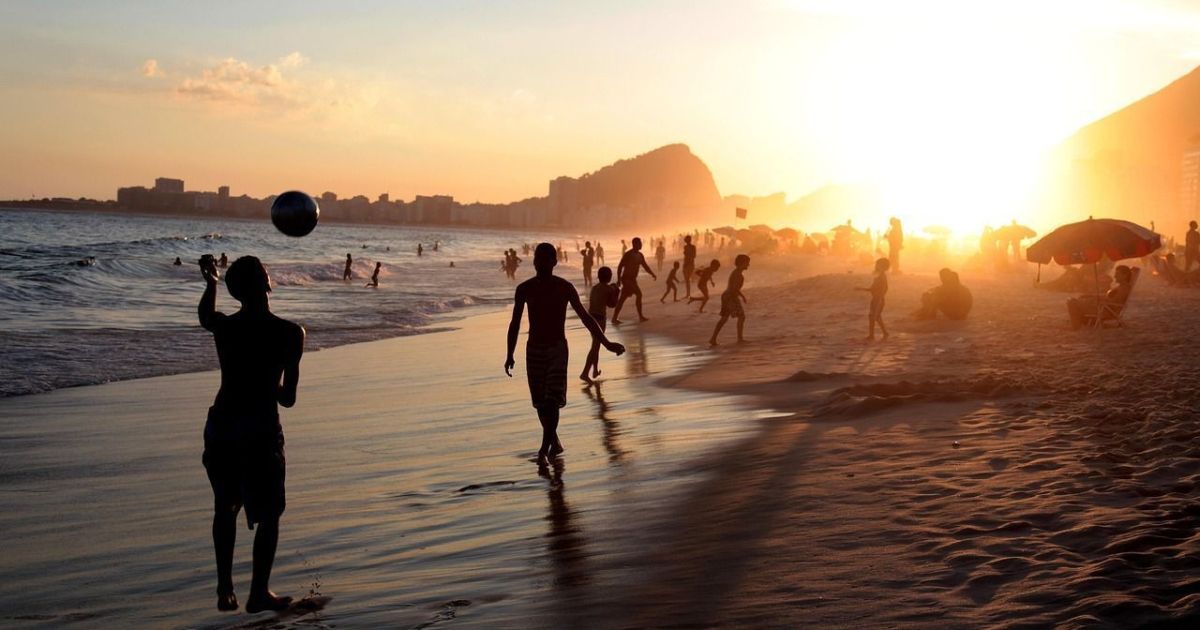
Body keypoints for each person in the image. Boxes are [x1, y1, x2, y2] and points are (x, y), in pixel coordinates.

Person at [197, 255, 305, 613]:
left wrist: (211, 282)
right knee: (270, 514)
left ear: (236, 292)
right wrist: (266, 379)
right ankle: (259, 591)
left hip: (223, 424)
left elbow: (205, 318)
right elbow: (287, 399)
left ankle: (225, 587)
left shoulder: (226, 329)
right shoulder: (291, 333)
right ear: (268, 283)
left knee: (225, 506)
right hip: (259, 429)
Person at [505, 244, 625, 464]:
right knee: (540, 403)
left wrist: (606, 343)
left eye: (545, 258)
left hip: (557, 349)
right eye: (538, 258)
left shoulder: (564, 287)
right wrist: (509, 354)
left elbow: (586, 318)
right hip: (533, 350)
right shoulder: (525, 289)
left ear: (554, 262)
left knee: (552, 400)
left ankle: (543, 448)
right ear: (534, 262)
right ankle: (554, 441)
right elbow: (514, 323)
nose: (541, 262)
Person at [581, 266, 620, 382]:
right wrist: (617, 292)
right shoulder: (609, 289)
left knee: (596, 344)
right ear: (609, 277)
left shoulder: (595, 287)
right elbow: (612, 304)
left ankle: (595, 370)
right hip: (600, 319)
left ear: (598, 277)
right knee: (595, 346)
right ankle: (584, 373)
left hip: (590, 318)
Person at [1067, 265, 1134, 329]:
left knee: (1072, 302)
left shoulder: (1124, 289)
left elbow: (1114, 302)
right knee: (1079, 299)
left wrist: (1097, 299)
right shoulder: (1121, 287)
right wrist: (1092, 296)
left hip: (1104, 311)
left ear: (1125, 276)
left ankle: (1076, 327)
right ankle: (1082, 324)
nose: (1115, 276)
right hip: (1102, 308)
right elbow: (1110, 298)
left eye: (1117, 274)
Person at [611, 237, 657, 324]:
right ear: (634, 244)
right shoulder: (628, 254)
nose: (641, 245)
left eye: (641, 243)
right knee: (638, 294)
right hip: (627, 279)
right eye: (639, 243)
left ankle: (614, 318)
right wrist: (618, 279)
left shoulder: (640, 255)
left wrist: (652, 274)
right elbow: (620, 266)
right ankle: (640, 316)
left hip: (633, 280)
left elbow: (645, 266)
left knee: (622, 298)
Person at [709, 254, 750, 346]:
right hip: (730, 297)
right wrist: (740, 297)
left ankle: (713, 338)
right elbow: (734, 289)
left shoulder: (736, 273)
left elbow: (733, 288)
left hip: (726, 296)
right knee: (741, 316)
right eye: (747, 263)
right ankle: (740, 339)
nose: (748, 265)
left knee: (724, 318)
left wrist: (741, 296)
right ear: (742, 263)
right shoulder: (738, 275)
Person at [857, 258, 890, 340]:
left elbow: (884, 289)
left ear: (883, 267)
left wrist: (879, 299)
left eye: (878, 265)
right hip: (875, 299)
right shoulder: (879, 276)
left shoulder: (882, 277)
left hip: (878, 300)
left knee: (873, 316)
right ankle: (884, 332)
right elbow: (872, 289)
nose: (876, 266)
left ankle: (872, 335)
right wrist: (861, 289)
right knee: (876, 316)